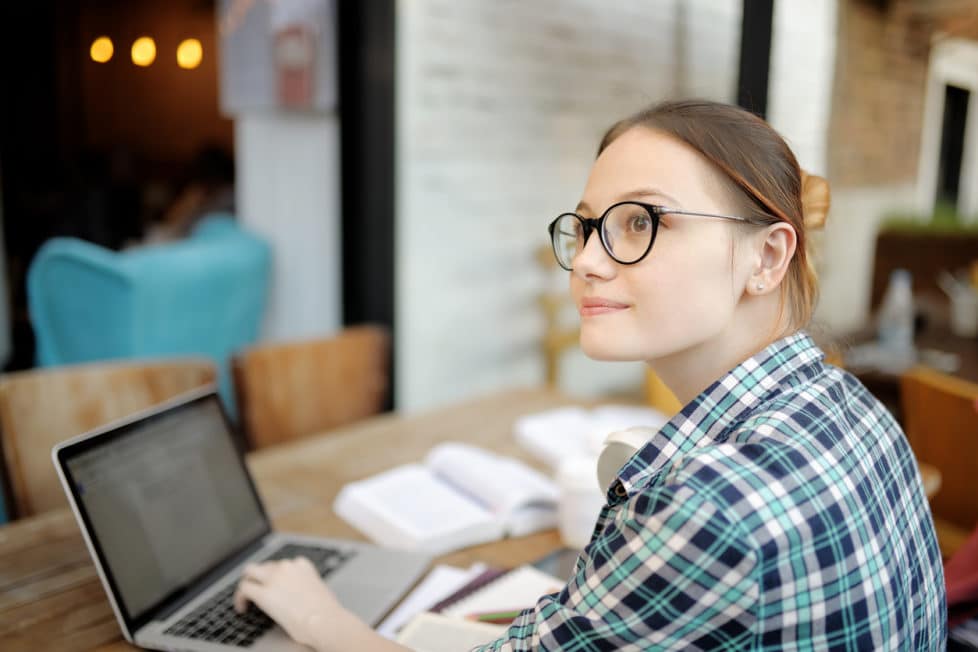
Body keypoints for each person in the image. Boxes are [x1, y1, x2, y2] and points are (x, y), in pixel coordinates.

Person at [233, 100, 947, 650]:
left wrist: (321, 619)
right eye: (586, 226)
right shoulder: (850, 403)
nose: (586, 261)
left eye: (641, 222)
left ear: (766, 257)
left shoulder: (705, 508)